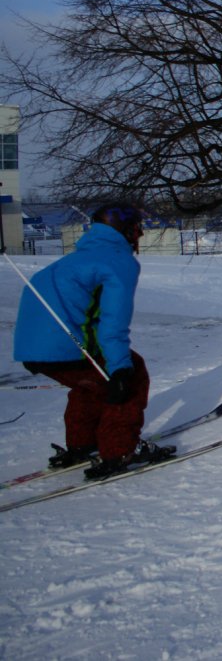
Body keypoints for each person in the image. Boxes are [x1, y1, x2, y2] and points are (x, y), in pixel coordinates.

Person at [12, 203, 173, 479]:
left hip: (34, 349)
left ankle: (83, 442)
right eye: (137, 230)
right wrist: (120, 369)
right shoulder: (117, 261)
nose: (140, 237)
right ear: (124, 231)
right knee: (128, 378)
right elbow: (112, 322)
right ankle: (120, 450)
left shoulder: (75, 259)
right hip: (66, 347)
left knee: (91, 385)